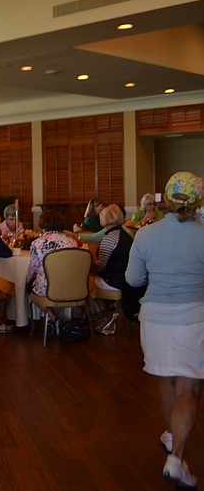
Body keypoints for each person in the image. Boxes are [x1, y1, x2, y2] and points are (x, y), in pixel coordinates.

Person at [126, 171, 204, 488]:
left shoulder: (145, 235)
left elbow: (133, 279)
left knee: (166, 379)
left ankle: (173, 434)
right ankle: (176, 459)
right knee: (188, 389)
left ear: (166, 199)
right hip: (193, 318)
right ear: (198, 201)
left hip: (154, 318)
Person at [26, 209, 78, 327]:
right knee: (58, 290)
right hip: (70, 287)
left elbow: (34, 269)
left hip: (47, 288)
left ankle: (53, 318)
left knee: (28, 286)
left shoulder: (37, 243)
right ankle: (55, 321)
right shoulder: (71, 242)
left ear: (43, 224)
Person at [93, 204, 143, 320]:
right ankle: (106, 312)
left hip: (115, 282)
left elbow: (100, 267)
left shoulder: (109, 238)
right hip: (127, 282)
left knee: (85, 283)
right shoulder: (126, 234)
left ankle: (98, 316)